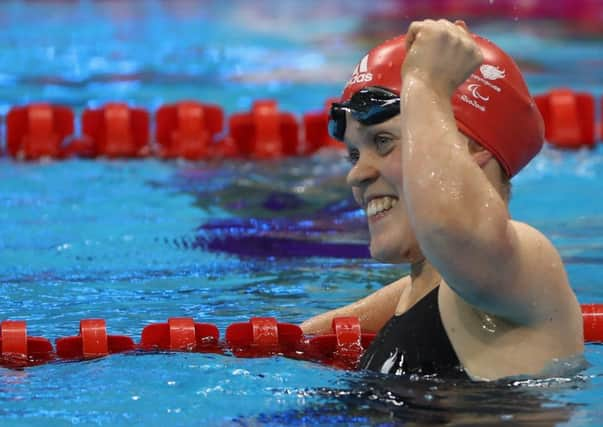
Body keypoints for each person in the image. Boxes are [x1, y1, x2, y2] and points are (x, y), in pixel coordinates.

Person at [300, 19, 584, 381]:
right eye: (354, 154)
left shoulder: (525, 265)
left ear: (471, 147)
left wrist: (426, 81)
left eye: (383, 142)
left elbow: (450, 232)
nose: (356, 174)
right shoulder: (429, 288)